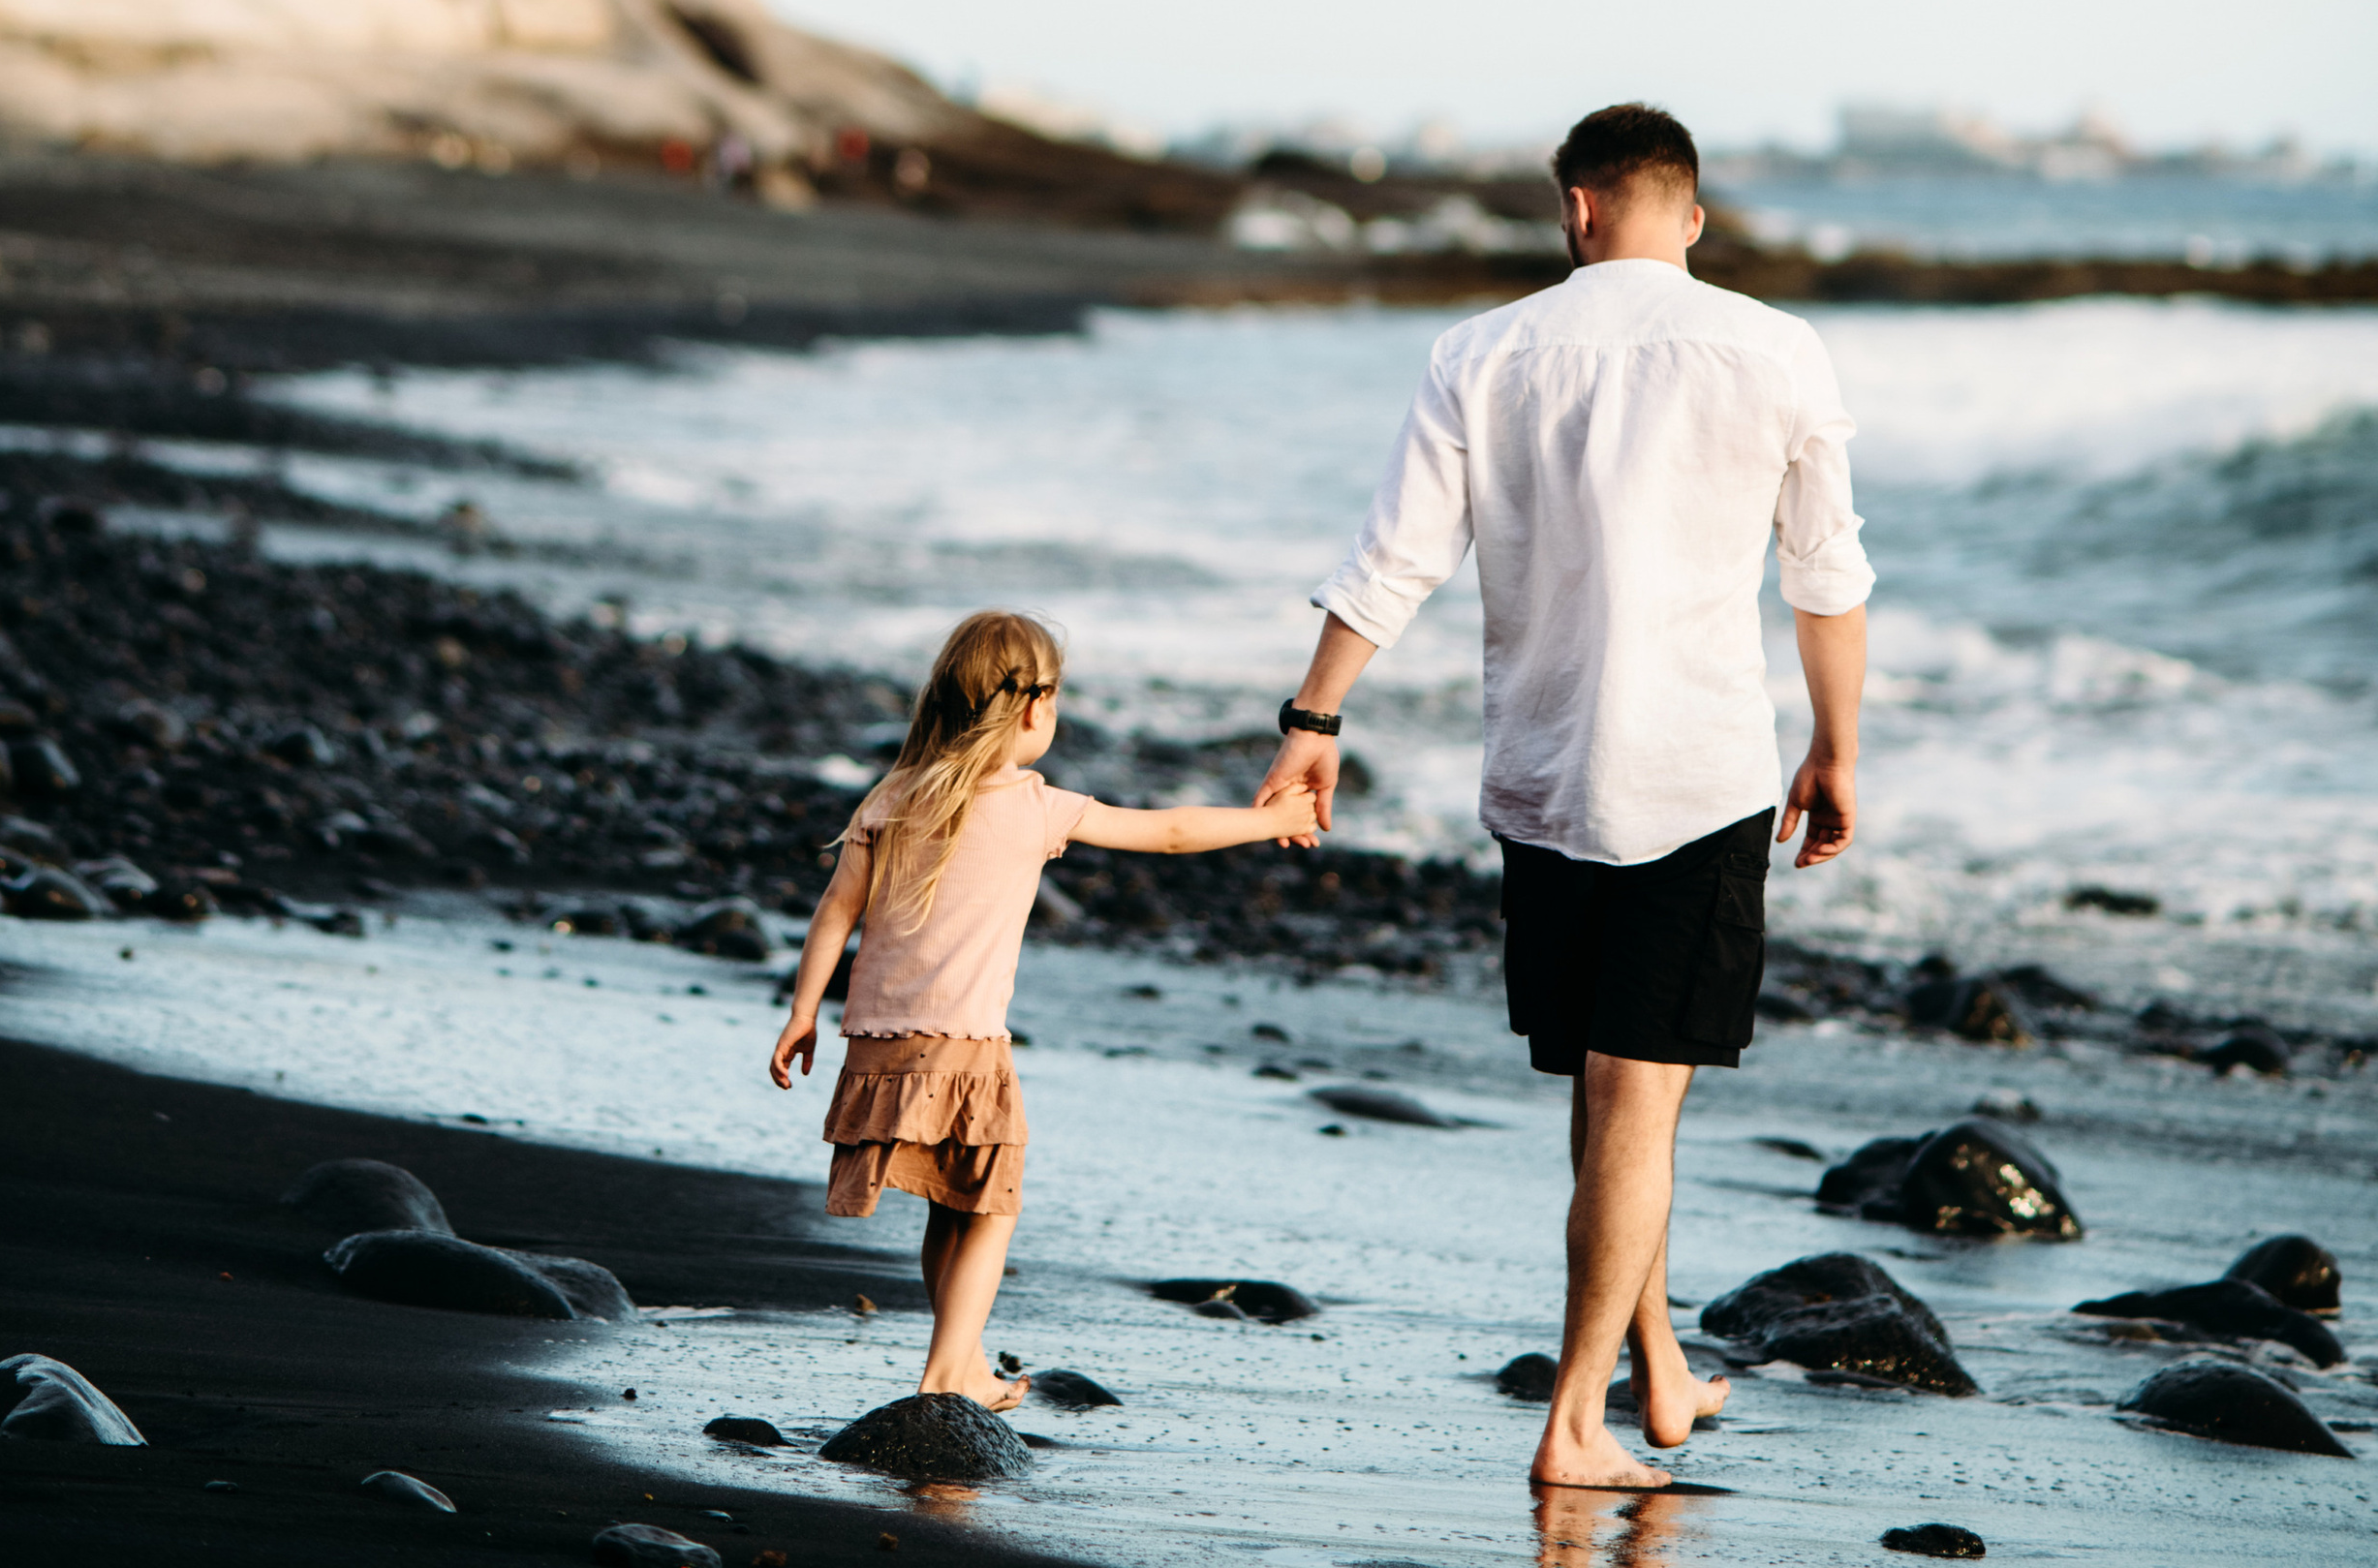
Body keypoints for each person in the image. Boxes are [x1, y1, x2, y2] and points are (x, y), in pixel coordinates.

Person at [1258, 102, 1872, 1493]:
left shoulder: (1479, 351)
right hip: (1697, 772)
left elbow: (1395, 556)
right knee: (1637, 1103)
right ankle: (1572, 1429)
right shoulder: (1775, 348)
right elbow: (1825, 574)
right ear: (1693, 215)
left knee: (1613, 1098)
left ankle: (1652, 1372)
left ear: (1577, 209)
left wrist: (1315, 715)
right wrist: (1834, 747)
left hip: (1543, 774)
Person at [771, 605, 1321, 1407]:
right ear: (1034, 708)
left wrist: (802, 1012)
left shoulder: (890, 798)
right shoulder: (1033, 804)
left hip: (878, 1042)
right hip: (963, 1044)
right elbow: (1167, 831)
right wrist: (1270, 819)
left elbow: (834, 911)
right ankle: (947, 1373)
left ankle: (961, 1358)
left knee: (953, 1203)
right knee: (994, 1203)